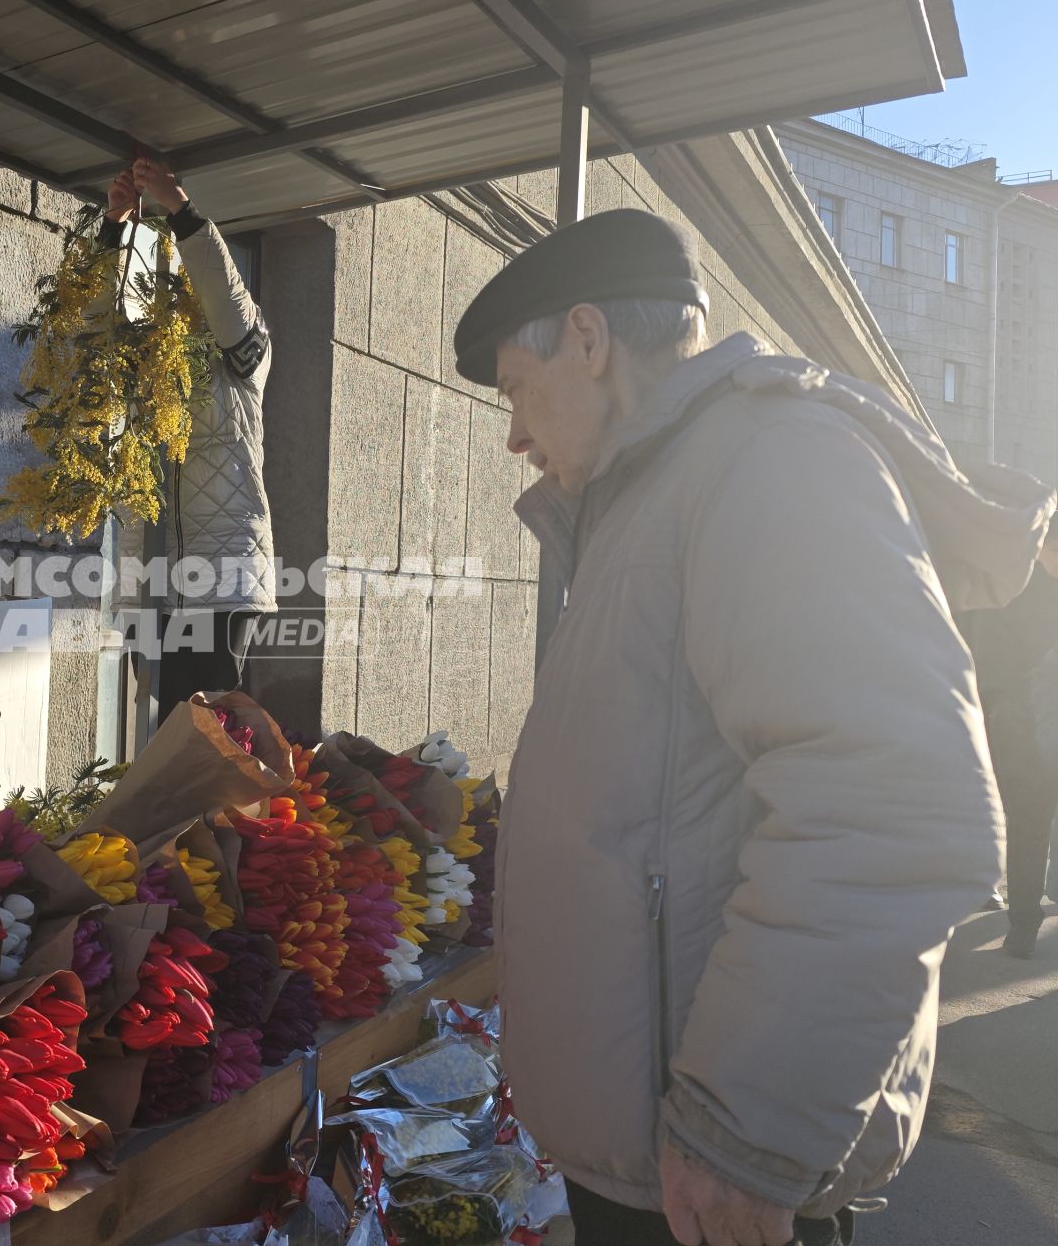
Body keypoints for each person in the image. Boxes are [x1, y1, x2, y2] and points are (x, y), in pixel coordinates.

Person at [453, 209, 1055, 1246]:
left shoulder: (773, 461)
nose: (513, 430)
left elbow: (894, 807)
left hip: (711, 1176)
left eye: (514, 386)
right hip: (661, 1158)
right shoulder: (662, 489)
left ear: (588, 341)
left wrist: (747, 1132)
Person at [97, 159, 276, 722]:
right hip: (157, 578)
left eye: (180, 294)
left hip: (222, 578)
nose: (170, 307)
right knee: (170, 719)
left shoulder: (242, 360)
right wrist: (114, 230)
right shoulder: (152, 368)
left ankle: (217, 811)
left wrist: (182, 213)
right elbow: (92, 328)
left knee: (209, 726)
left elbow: (227, 301)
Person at [959, 525, 1058, 957]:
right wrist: (1003, 714)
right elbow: (990, 663)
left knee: (1032, 826)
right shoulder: (1010, 590)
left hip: (1033, 724)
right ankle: (1023, 925)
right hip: (1025, 733)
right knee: (1029, 827)